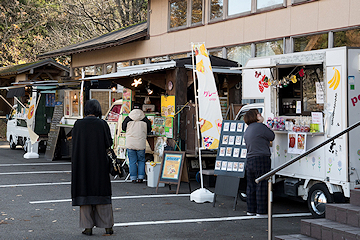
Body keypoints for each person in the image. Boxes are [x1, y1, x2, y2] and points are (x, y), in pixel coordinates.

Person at [71, 99, 114, 236]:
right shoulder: (102, 124)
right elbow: (109, 143)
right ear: (98, 110)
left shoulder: (78, 124)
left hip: (82, 164)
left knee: (85, 194)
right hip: (100, 164)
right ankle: (108, 227)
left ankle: (87, 227)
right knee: (101, 194)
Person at [243, 109, 275, 217]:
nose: (261, 115)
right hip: (261, 158)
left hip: (250, 159)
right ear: (256, 117)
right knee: (262, 184)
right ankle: (261, 211)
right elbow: (272, 136)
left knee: (251, 186)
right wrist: (264, 123)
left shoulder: (247, 129)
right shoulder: (260, 127)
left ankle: (250, 210)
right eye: (259, 114)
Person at [122, 102, 151, 183]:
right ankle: (140, 178)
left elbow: (123, 128)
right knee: (141, 160)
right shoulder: (145, 119)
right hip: (141, 143)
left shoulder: (128, 118)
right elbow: (149, 129)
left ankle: (133, 178)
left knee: (132, 161)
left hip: (130, 143)